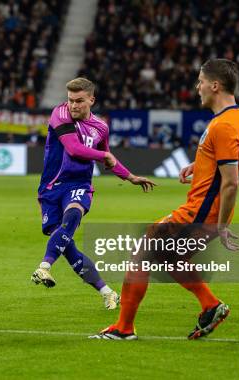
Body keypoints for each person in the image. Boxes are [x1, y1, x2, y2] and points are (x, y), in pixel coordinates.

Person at [91, 59, 239, 340]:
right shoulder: (236, 117)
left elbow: (231, 182)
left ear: (215, 85)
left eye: (200, 81)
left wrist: (222, 225)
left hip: (201, 213)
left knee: (142, 254)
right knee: (169, 256)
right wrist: (199, 164)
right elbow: (226, 161)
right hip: (205, 210)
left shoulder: (223, 125)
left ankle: (124, 328)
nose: (197, 87)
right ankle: (210, 305)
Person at [31, 78, 156, 310]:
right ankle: (107, 292)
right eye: (70, 100)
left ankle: (44, 267)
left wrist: (130, 177)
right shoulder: (60, 113)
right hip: (51, 188)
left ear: (91, 100)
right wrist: (103, 156)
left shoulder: (101, 127)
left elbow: (108, 158)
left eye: (79, 101)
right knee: (67, 246)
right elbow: (74, 148)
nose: (73, 106)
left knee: (72, 216)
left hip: (79, 184)